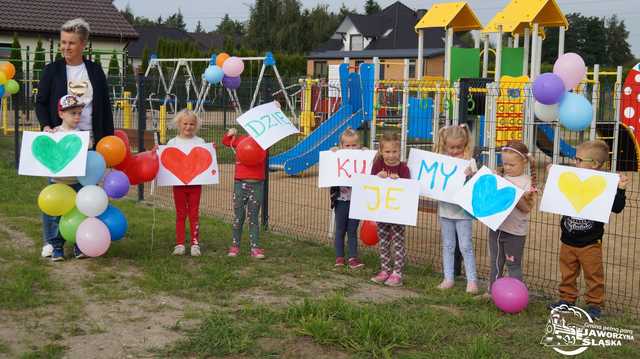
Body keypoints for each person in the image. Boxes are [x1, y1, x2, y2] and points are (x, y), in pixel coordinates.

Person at [36, 18, 113, 258]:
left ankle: (83, 240)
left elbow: (105, 107)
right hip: (62, 142)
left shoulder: (95, 71)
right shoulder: (52, 70)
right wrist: (46, 126)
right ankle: (52, 241)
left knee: (86, 192)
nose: (66, 47)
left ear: (83, 45)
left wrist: (105, 142)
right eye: (63, 42)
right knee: (57, 191)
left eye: (71, 43)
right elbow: (40, 102)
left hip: (89, 142)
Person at [549, 140, 627, 320]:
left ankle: (595, 304)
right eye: (575, 159)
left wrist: (620, 190)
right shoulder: (571, 177)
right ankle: (567, 300)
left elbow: (616, 207)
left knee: (594, 275)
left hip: (590, 242)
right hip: (567, 239)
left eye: (579, 159)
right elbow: (557, 194)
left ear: (595, 164)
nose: (575, 163)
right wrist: (553, 176)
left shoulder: (604, 184)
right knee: (567, 272)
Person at [487, 141, 537, 294]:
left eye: (512, 165)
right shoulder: (501, 176)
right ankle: (491, 292)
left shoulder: (528, 182)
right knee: (496, 262)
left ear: (524, 162)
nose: (507, 168)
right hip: (496, 228)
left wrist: (510, 191)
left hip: (515, 233)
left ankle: (516, 295)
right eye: (505, 164)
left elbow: (526, 208)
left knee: (513, 265)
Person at [434, 125, 479, 294]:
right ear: (445, 145)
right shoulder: (441, 159)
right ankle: (448, 278)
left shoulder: (470, 161)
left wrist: (471, 175)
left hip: (462, 213)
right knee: (448, 245)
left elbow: (476, 185)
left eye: (458, 147)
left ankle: (472, 281)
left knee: (466, 245)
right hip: (445, 210)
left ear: (465, 144)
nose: (454, 151)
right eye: (451, 147)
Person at [45, 95, 89, 261]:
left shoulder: (83, 136)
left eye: (79, 113)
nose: (77, 117)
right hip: (57, 184)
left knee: (79, 215)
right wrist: (48, 135)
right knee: (55, 217)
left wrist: (88, 144)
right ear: (61, 114)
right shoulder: (55, 133)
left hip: (77, 182)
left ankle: (79, 245)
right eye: (73, 113)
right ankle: (57, 247)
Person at [370, 132, 411, 287]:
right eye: (387, 151)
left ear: (399, 151)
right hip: (382, 211)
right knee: (384, 241)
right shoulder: (377, 166)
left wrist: (399, 180)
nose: (391, 155)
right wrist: (377, 177)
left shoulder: (404, 168)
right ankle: (385, 270)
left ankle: (397, 273)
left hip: (398, 214)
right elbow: (370, 184)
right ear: (381, 151)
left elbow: (408, 187)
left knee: (399, 242)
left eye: (394, 151)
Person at [222, 128, 267, 259]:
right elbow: (226, 141)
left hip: (257, 184)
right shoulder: (241, 140)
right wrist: (230, 133)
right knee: (238, 217)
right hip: (240, 184)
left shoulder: (264, 142)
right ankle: (235, 246)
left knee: (253, 218)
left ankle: (255, 247)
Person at [167, 110, 206, 256]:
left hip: (195, 185)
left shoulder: (200, 142)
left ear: (196, 125)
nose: (188, 127)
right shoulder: (173, 143)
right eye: (185, 123)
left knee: (194, 213)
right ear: (179, 124)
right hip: (178, 185)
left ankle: (195, 244)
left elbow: (204, 161)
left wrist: (211, 151)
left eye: (191, 124)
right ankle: (180, 244)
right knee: (180, 214)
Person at [329, 128, 365, 269]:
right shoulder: (337, 155)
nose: (351, 148)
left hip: (356, 201)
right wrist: (333, 152)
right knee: (340, 229)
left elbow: (370, 158)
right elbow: (331, 165)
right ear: (342, 146)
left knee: (352, 230)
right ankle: (339, 257)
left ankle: (352, 258)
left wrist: (364, 152)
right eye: (347, 145)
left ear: (359, 145)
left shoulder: (363, 155)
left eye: (354, 145)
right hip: (341, 201)